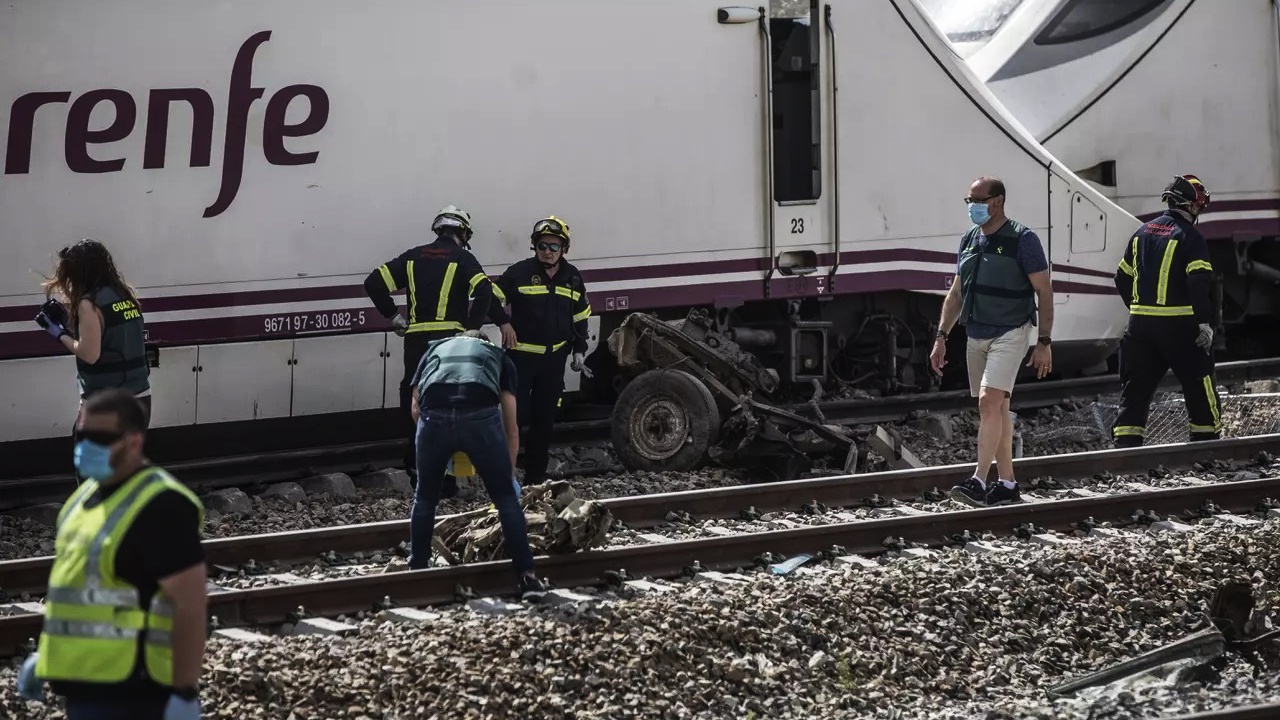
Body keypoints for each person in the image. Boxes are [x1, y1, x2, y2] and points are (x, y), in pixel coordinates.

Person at [16, 388, 207, 720]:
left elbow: (189, 605)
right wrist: (47, 656)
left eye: (100, 438)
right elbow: (76, 593)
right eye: (82, 435)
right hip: (85, 686)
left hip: (136, 692)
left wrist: (185, 691)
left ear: (133, 442)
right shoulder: (82, 499)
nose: (87, 446)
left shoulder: (162, 505)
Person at [930, 176, 1053, 507]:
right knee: (997, 408)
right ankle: (1009, 485)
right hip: (976, 333)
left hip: (1011, 331)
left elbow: (1044, 290)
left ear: (997, 201)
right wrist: (942, 336)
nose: (972, 207)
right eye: (968, 201)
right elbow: (957, 293)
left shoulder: (1023, 239)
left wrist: (1044, 341)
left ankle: (978, 481)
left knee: (988, 402)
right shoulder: (970, 239)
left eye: (977, 201)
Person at [363, 205, 498, 488]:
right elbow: (484, 289)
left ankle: (416, 470)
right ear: (463, 233)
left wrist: (395, 317)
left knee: (416, 402)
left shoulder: (412, 257)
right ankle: (446, 480)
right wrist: (472, 328)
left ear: (438, 229)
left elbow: (374, 282)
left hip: (416, 341)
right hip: (450, 342)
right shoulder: (463, 258)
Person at [408, 330, 547, 599]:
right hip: (479, 418)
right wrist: (508, 475)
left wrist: (437, 443)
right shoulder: (497, 356)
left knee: (424, 497)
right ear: (483, 341)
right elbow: (511, 426)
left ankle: (417, 571)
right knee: (506, 500)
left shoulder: (433, 351)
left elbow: (415, 407)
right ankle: (528, 579)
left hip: (433, 418)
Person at [1110, 174, 1221, 447]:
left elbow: (1121, 278)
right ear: (1189, 205)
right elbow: (1198, 282)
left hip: (1140, 328)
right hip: (1181, 327)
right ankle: (1205, 444)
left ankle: (1126, 450)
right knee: (1198, 382)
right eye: (1198, 206)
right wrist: (1204, 323)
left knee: (1136, 389)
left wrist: (1139, 309)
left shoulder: (1141, 233)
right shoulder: (1191, 237)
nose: (1198, 212)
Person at [488, 215, 593, 485]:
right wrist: (504, 323)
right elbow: (491, 300)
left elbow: (581, 316)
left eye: (553, 246)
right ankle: (505, 476)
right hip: (520, 359)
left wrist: (580, 350)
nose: (547, 251)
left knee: (544, 420)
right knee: (514, 418)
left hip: (553, 361)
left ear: (564, 249)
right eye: (542, 246)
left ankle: (535, 479)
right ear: (535, 247)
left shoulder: (573, 278)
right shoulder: (519, 272)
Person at [37, 239, 152, 435]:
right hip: (140, 401)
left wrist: (60, 334)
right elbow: (110, 338)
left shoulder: (89, 303)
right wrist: (74, 326)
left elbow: (90, 354)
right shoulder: (125, 295)